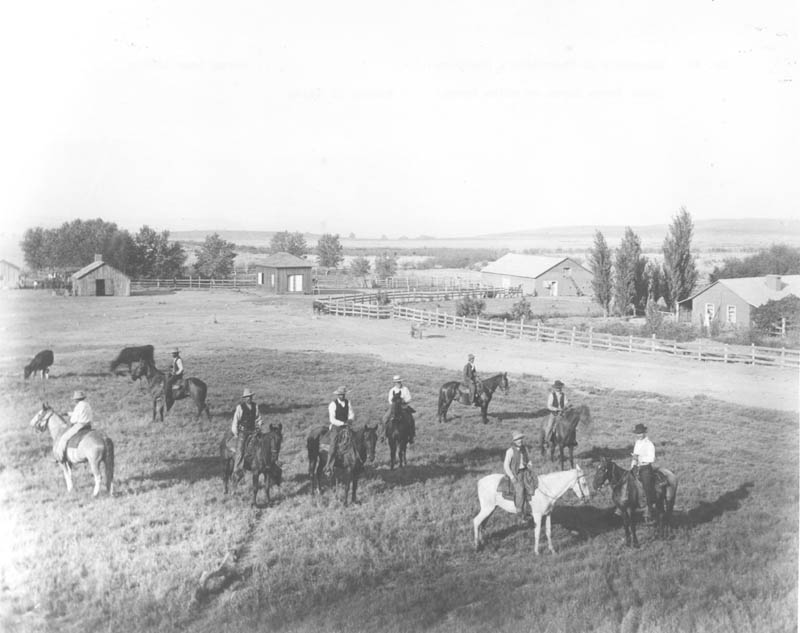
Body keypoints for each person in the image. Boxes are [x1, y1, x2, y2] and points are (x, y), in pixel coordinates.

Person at [503, 431, 535, 522]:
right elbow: (506, 465)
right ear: (514, 441)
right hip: (516, 474)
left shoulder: (524, 449)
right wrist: (512, 477)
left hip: (525, 471)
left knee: (533, 486)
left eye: (520, 438)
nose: (520, 441)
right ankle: (519, 512)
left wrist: (529, 464)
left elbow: (528, 460)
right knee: (520, 490)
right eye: (517, 439)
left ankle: (529, 509)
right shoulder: (510, 451)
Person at [54, 390, 93, 462]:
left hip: (80, 425)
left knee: (64, 438)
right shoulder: (87, 405)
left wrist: (71, 421)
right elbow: (78, 413)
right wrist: (67, 413)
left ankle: (60, 457)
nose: (74, 401)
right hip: (88, 425)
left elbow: (73, 419)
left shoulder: (78, 406)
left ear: (76, 399)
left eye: (75, 399)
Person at [231, 388, 261, 482]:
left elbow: (258, 418)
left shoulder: (255, 406)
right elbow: (236, 420)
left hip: (253, 431)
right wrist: (235, 432)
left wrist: (259, 426)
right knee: (240, 450)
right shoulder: (240, 407)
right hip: (243, 432)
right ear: (244, 398)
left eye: (250, 396)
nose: (249, 398)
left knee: (261, 446)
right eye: (247, 397)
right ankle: (236, 471)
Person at [631, 423, 657, 523]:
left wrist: (640, 458)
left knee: (646, 486)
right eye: (637, 433)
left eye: (641, 433)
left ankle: (649, 508)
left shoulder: (649, 444)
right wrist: (632, 465)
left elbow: (652, 458)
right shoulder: (637, 443)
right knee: (628, 482)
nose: (639, 435)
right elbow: (634, 456)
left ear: (644, 433)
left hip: (646, 468)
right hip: (637, 466)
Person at [326, 386, 354, 472]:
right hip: (336, 427)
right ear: (337, 395)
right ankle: (328, 466)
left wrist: (350, 420)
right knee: (333, 444)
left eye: (343, 394)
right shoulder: (333, 404)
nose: (342, 396)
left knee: (355, 440)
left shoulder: (348, 402)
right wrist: (342, 423)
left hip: (346, 426)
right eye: (340, 395)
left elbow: (351, 413)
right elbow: (332, 419)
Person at [382, 375, 416, 444]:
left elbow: (409, 398)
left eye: (399, 382)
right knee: (385, 418)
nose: (398, 383)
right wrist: (394, 403)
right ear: (394, 383)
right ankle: (384, 434)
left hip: (403, 407)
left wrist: (404, 401)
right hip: (394, 407)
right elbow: (390, 400)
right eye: (397, 382)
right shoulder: (392, 390)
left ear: (401, 382)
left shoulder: (405, 389)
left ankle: (411, 435)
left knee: (411, 419)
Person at [543, 380, 568, 446]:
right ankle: (546, 440)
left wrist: (565, 407)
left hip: (562, 413)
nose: (558, 389)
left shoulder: (564, 395)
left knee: (569, 425)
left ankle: (570, 440)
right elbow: (549, 405)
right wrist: (556, 409)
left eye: (559, 387)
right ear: (555, 388)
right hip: (554, 414)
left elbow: (566, 403)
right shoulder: (552, 395)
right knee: (550, 426)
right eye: (557, 388)